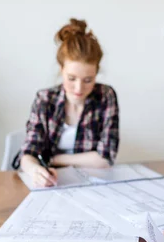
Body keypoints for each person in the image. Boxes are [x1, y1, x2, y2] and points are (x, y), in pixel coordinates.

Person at [17, 18, 119, 188]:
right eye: (72, 78)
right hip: (52, 184)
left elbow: (105, 158)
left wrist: (54, 159)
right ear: (61, 69)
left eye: (88, 80)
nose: (79, 88)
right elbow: (28, 155)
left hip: (93, 185)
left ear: (96, 73)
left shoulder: (105, 96)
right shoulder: (45, 100)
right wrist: (36, 170)